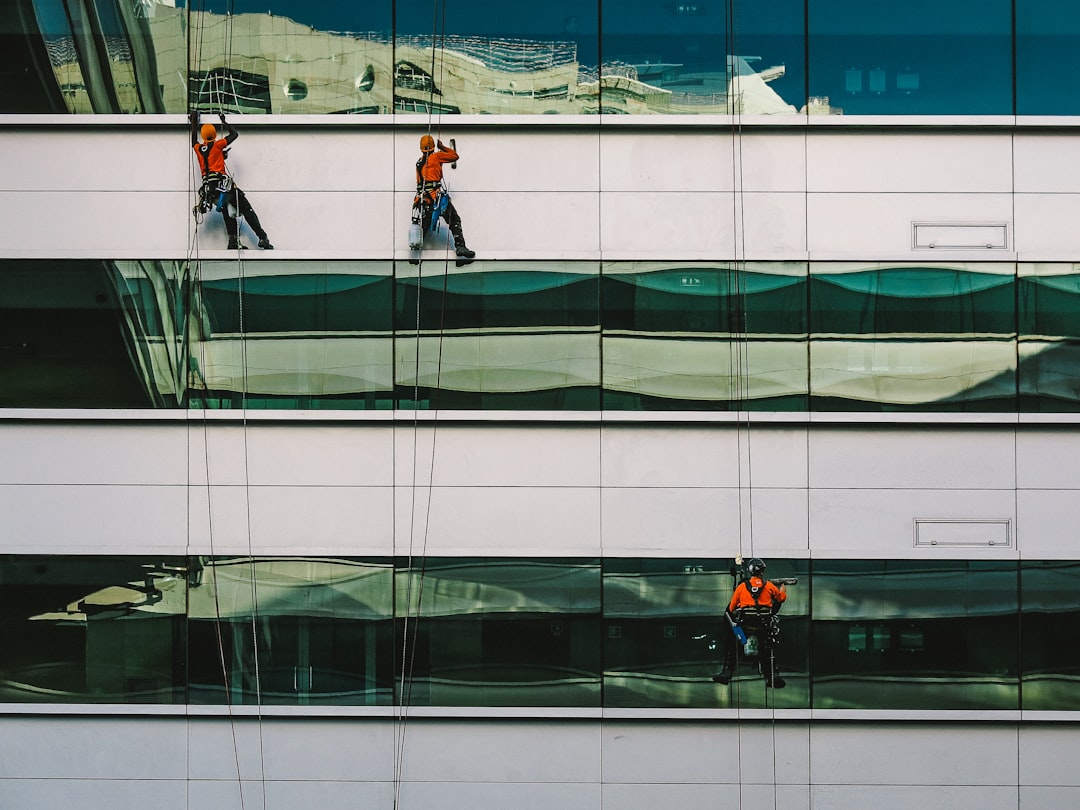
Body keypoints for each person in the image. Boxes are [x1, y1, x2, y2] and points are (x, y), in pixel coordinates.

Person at [191, 111, 273, 251]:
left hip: (209, 189)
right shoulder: (217, 145)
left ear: (204, 136)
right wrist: (225, 122)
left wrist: (194, 121)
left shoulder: (199, 148)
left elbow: (193, 140)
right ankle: (262, 238)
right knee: (246, 209)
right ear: (214, 135)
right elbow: (234, 134)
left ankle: (233, 241)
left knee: (226, 211)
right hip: (222, 185)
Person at [712, 557, 787, 688]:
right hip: (763, 629)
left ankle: (727, 672)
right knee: (768, 647)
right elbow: (781, 598)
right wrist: (782, 589)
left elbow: (731, 608)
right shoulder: (769, 586)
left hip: (744, 630)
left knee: (732, 643)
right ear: (762, 572)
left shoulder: (741, 588)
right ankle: (772, 675)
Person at [412, 134, 475, 266]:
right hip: (436, 198)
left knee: (424, 225)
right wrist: (442, 147)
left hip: (423, 199)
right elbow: (454, 156)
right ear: (433, 147)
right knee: (454, 220)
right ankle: (460, 247)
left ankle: (415, 255)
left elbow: (420, 182)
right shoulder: (436, 157)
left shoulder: (418, 162)